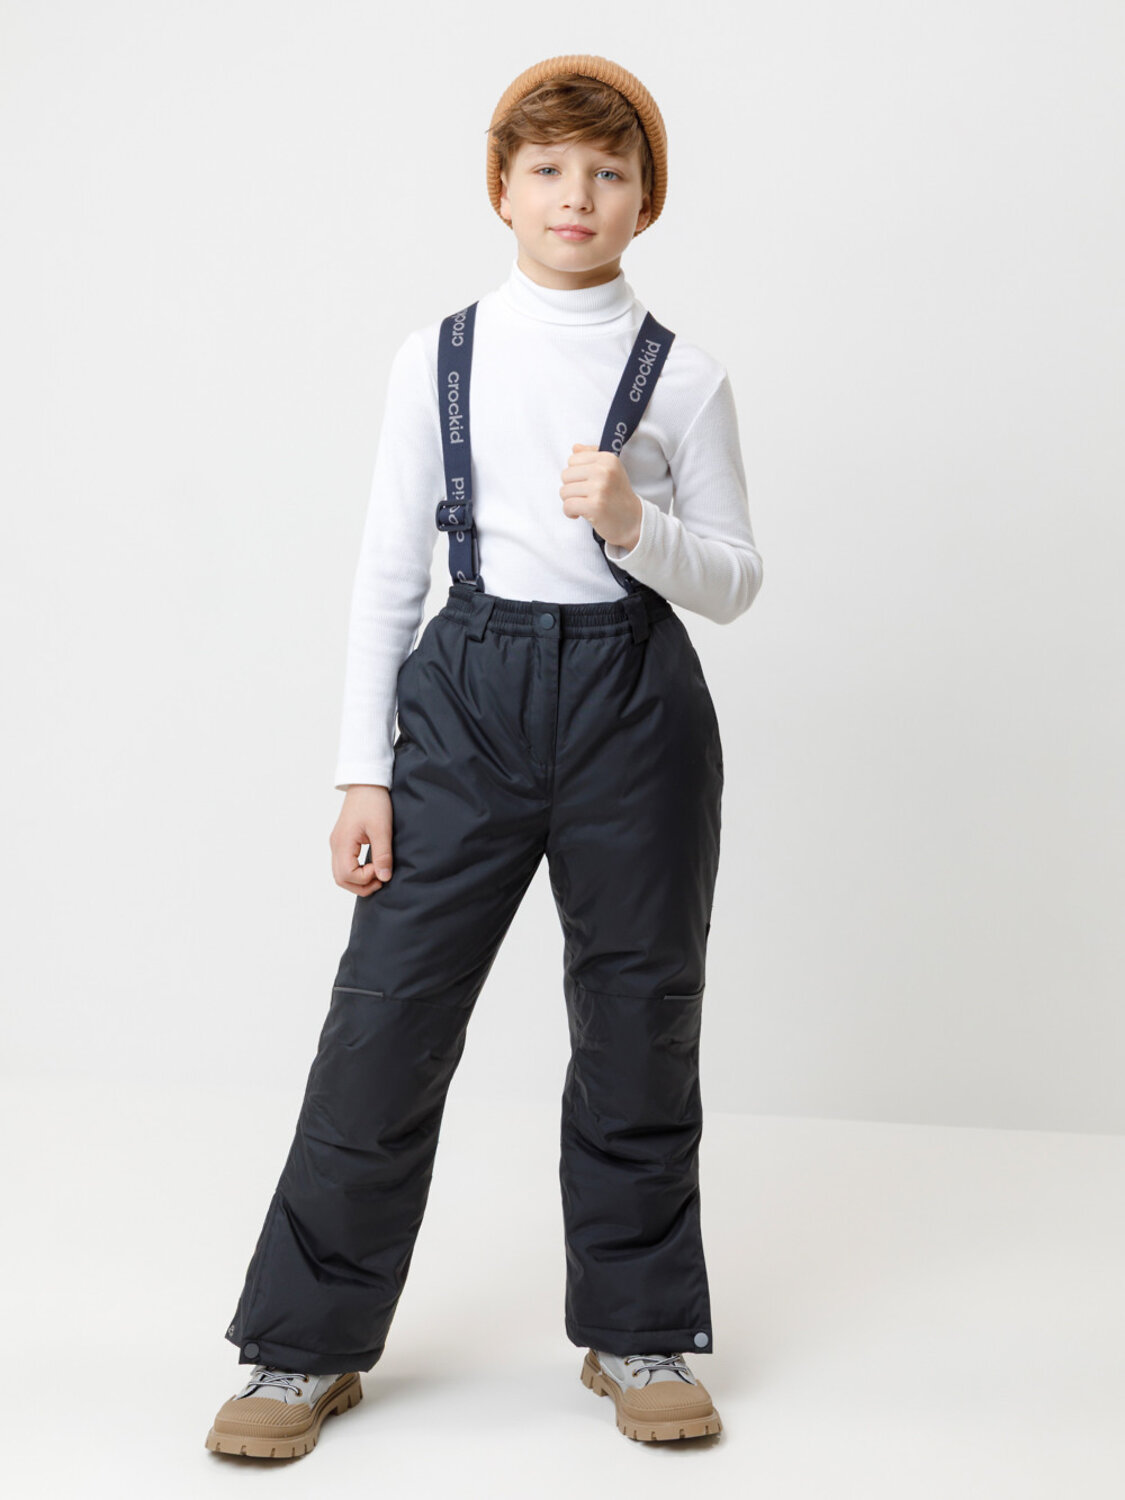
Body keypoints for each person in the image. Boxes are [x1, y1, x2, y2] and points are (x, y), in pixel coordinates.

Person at [205, 53, 763, 1458]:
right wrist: (362, 771)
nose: (577, 195)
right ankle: (300, 1349)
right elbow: (387, 573)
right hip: (465, 702)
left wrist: (636, 525)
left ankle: (638, 1331)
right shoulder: (439, 355)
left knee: (639, 1022)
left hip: (634, 711)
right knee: (385, 1022)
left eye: (609, 172)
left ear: (645, 199)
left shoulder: (686, 376)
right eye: (548, 169)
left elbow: (737, 578)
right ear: (502, 190)